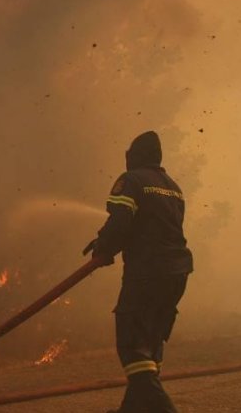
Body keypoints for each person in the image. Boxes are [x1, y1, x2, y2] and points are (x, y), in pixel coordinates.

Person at [83, 131, 194, 413]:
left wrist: (104, 248)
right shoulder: (172, 186)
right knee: (148, 346)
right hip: (176, 274)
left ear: (135, 156)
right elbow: (150, 226)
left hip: (147, 273)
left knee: (132, 345)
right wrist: (105, 242)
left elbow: (121, 221)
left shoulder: (131, 180)